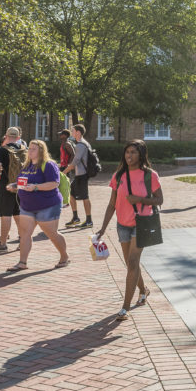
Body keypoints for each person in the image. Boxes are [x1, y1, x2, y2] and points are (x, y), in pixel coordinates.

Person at [96, 140, 164, 321]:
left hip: (142, 223)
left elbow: (159, 200)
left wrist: (140, 200)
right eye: (127, 152)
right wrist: (102, 228)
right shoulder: (119, 176)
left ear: (141, 154)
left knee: (133, 262)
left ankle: (125, 308)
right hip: (122, 224)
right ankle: (143, 290)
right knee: (130, 264)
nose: (129, 155)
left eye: (133, 152)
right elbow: (112, 204)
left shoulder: (150, 175)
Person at [6, 139, 68, 271]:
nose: (30, 151)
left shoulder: (49, 165)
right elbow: (23, 183)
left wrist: (36, 187)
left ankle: (64, 257)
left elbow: (54, 183)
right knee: (25, 234)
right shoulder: (27, 165)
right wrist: (15, 185)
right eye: (29, 148)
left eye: (34, 149)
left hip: (48, 205)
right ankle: (22, 263)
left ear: (41, 151)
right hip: (27, 206)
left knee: (52, 234)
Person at [0, 128, 27, 252]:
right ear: (18, 137)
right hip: (21, 185)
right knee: (18, 214)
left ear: (6, 136)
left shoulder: (2, 150)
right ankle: (23, 241)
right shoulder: (24, 149)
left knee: (6, 214)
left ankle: (3, 243)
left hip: (6, 185)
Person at [63, 124, 93, 229]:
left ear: (78, 132)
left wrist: (63, 172)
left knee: (85, 197)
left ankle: (89, 221)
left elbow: (75, 162)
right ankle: (75, 218)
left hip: (82, 175)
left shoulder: (81, 145)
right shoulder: (83, 143)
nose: (72, 133)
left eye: (73, 131)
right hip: (80, 175)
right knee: (71, 193)